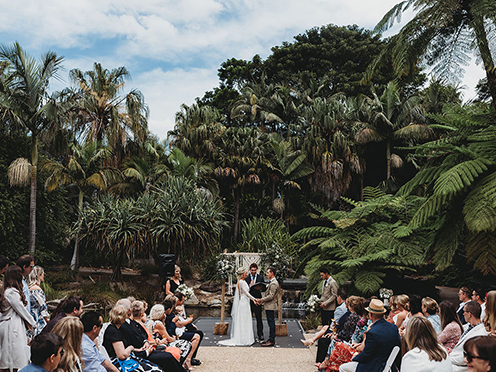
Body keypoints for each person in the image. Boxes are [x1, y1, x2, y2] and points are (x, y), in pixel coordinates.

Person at [115, 299, 185, 372]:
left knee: (169, 356)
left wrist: (146, 342)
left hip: (146, 348)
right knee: (168, 357)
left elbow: (140, 335)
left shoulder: (131, 322)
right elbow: (129, 345)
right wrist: (145, 350)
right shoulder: (122, 325)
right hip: (140, 353)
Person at [339, 299, 401, 372]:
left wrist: (354, 358)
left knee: (342, 368)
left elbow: (366, 355)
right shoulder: (393, 328)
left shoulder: (372, 332)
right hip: (389, 365)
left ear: (370, 314)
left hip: (374, 367)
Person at [102, 305, 162, 372]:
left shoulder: (115, 329)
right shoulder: (113, 331)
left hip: (126, 359)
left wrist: (138, 350)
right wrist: (131, 347)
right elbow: (122, 355)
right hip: (120, 364)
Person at [0, 265, 36, 372]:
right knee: (12, 358)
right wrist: (33, 323)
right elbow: (22, 310)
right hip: (11, 328)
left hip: (10, 326)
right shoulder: (11, 293)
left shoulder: (7, 291)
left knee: (11, 358)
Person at [219, 267, 258, 346]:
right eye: (246, 273)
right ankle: (244, 339)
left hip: (245, 302)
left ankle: (245, 338)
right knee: (244, 320)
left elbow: (245, 292)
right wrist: (254, 299)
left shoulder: (242, 281)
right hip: (244, 303)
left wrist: (250, 286)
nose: (247, 274)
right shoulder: (241, 282)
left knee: (245, 320)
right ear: (242, 274)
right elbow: (246, 293)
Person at [450, 301, 488, 371]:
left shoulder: (480, 334)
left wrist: (448, 359)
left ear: (470, 314)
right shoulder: (468, 326)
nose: (463, 314)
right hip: (454, 360)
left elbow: (468, 357)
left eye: (464, 311)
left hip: (462, 367)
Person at [259, 267, 280, 347]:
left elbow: (271, 296)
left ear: (272, 273)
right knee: (270, 322)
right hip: (268, 305)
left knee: (271, 323)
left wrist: (261, 300)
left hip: (271, 306)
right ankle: (270, 339)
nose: (266, 274)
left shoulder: (274, 283)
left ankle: (272, 340)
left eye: (268, 273)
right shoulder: (271, 282)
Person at [245, 262, 265, 341]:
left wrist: (260, 288)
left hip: (257, 299)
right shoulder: (246, 278)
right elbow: (245, 290)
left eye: (255, 270)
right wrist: (250, 285)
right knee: (248, 318)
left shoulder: (260, 277)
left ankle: (260, 334)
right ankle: (248, 334)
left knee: (259, 318)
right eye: (252, 270)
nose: (253, 272)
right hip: (249, 300)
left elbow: (263, 288)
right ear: (250, 270)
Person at [28, 266, 49, 337]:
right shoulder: (36, 289)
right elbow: (42, 306)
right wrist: (46, 319)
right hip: (37, 317)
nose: (43, 276)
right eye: (43, 274)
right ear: (38, 275)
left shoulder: (29, 288)